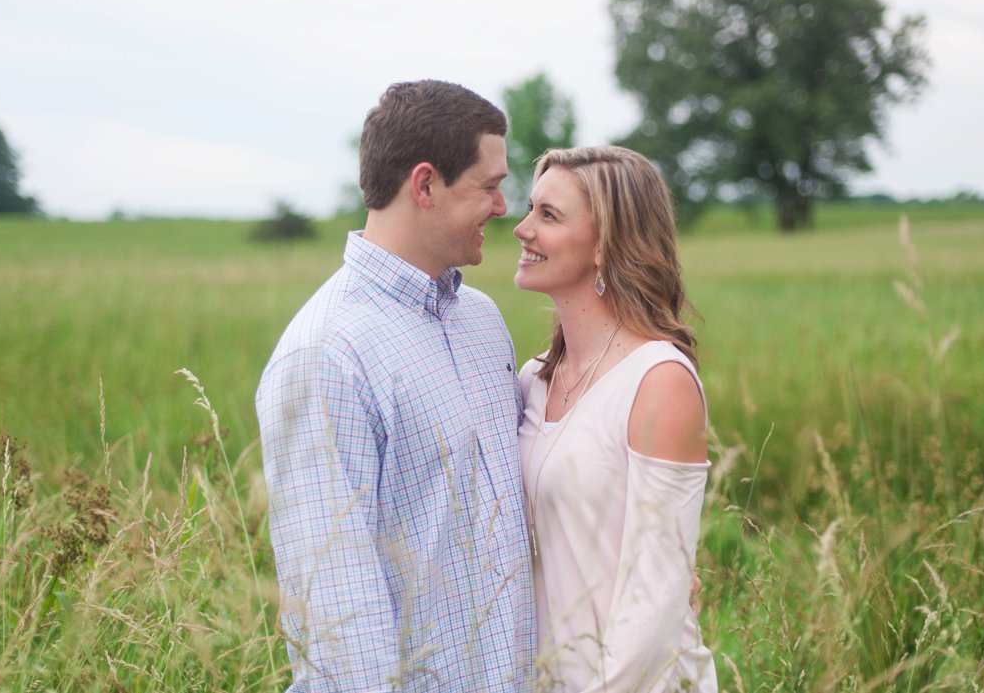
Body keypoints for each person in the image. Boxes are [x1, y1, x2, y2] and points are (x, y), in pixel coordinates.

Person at [256, 80, 535, 692]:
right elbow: (337, 611)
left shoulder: (482, 320)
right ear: (426, 184)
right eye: (489, 186)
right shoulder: (327, 353)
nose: (504, 206)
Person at [514, 146, 718, 692]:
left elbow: (656, 597)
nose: (521, 228)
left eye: (548, 216)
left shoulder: (659, 380)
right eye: (530, 208)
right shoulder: (532, 378)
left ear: (606, 243)